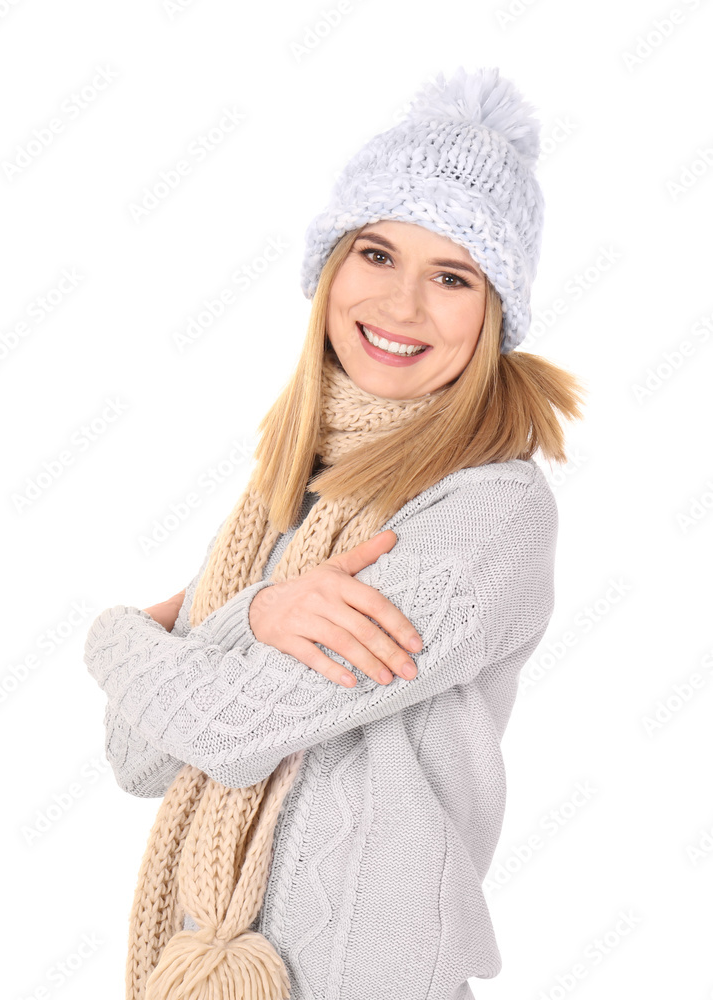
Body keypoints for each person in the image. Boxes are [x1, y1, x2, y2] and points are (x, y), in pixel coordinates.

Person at [84, 65, 585, 1000]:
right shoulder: (288, 493)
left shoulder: (487, 512)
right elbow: (139, 756)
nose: (400, 308)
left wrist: (115, 636)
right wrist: (257, 616)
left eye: (451, 275)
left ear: (495, 312)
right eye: (376, 255)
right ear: (330, 269)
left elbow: (218, 731)